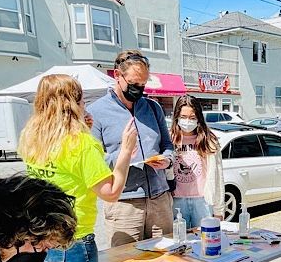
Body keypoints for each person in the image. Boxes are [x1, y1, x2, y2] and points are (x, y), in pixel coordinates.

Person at [19, 74, 139, 262]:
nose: (85, 104)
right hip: (71, 241)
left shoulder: (32, 138)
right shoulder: (81, 144)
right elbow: (111, 192)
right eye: (82, 100)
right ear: (73, 104)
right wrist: (126, 151)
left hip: (38, 239)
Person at [89, 49, 174, 247]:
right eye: (134, 84)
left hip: (160, 200)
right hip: (124, 205)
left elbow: (168, 145)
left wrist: (167, 159)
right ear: (117, 75)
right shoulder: (95, 113)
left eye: (143, 84)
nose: (139, 89)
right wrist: (124, 154)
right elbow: (94, 163)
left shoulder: (153, 108)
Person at [169, 95, 224, 227]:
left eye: (192, 118)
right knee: (179, 243)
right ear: (176, 117)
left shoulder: (209, 141)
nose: (187, 121)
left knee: (204, 241)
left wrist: (219, 209)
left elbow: (218, 176)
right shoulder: (169, 139)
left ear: (199, 118)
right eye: (183, 117)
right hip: (176, 200)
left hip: (203, 201)